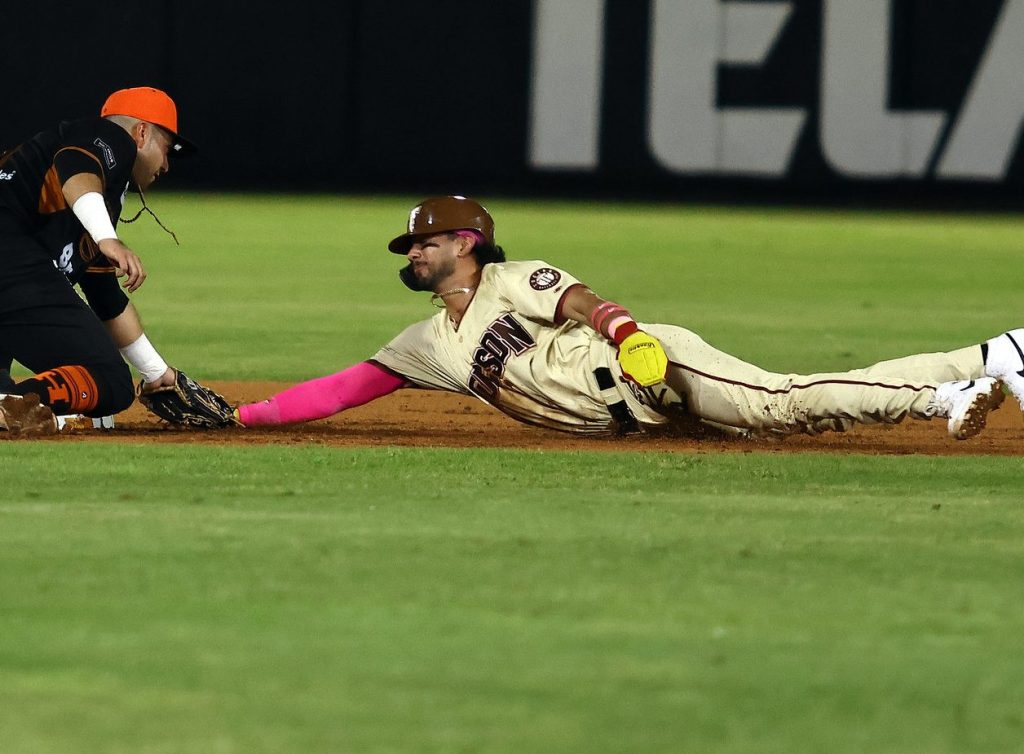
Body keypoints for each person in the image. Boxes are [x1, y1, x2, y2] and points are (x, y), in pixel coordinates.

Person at [235, 195, 1024, 442]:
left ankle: (942, 397)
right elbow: (338, 390)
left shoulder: (510, 277)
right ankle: (995, 355)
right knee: (798, 416)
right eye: (411, 245)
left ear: (465, 244)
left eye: (424, 241)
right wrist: (243, 415)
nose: (412, 252)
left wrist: (627, 333)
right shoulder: (424, 344)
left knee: (784, 400)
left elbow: (583, 302)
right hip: (646, 420)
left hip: (644, 366)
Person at [0, 87, 196, 435]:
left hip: (13, 266)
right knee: (111, 381)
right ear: (141, 133)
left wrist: (157, 373)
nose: (166, 165)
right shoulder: (112, 138)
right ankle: (11, 403)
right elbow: (76, 164)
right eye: (167, 149)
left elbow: (106, 298)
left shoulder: (93, 201)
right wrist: (108, 239)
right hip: (10, 257)